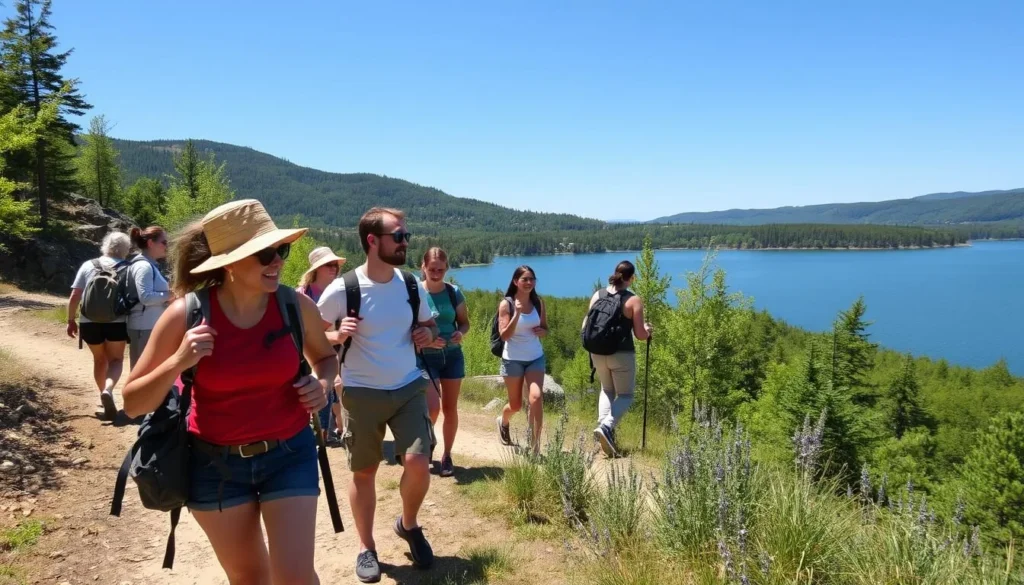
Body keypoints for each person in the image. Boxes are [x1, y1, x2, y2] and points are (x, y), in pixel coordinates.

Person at [121, 199, 337, 585]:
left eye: (281, 251)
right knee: (249, 578)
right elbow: (134, 402)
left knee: (295, 577)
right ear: (229, 263)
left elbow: (325, 358)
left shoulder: (294, 306)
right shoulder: (185, 314)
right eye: (265, 254)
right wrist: (178, 361)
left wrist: (321, 386)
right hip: (214, 465)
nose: (278, 262)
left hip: (288, 453)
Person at [316, 207, 440, 583]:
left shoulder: (409, 284)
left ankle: (408, 523)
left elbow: (430, 324)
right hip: (361, 391)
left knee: (418, 462)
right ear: (373, 241)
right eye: (398, 236)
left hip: (407, 386)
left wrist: (428, 335)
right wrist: (335, 336)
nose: (405, 242)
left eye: (406, 236)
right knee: (364, 472)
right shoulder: (344, 289)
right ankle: (366, 547)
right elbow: (312, 336)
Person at [584, 260, 653, 457]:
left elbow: (587, 323)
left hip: (596, 352)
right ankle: (607, 427)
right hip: (621, 354)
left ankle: (603, 429)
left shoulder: (598, 294)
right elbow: (640, 334)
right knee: (625, 396)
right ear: (631, 278)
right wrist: (647, 331)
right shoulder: (633, 300)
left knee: (606, 389)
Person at [66, 231, 131, 421]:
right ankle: (109, 391)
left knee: (99, 360)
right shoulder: (128, 267)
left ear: (104, 246)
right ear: (126, 249)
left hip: (89, 321)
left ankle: (103, 395)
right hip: (117, 322)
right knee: (116, 361)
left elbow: (75, 296)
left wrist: (71, 320)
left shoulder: (89, 265)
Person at [418, 247, 470, 477]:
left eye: (440, 269)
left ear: (447, 268)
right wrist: (427, 342)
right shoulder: (415, 293)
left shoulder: (453, 292)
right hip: (424, 358)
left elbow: (464, 323)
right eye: (432, 269)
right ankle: (428, 442)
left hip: (452, 356)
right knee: (432, 407)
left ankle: (447, 455)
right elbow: (405, 328)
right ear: (423, 267)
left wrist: (461, 334)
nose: (436, 273)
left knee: (450, 408)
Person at [495, 265, 548, 455]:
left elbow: (545, 328)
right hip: (513, 360)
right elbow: (504, 336)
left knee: (536, 398)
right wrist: (517, 315)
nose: (529, 283)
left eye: (532, 279)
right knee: (516, 405)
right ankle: (503, 421)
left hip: (535, 358)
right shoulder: (506, 304)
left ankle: (534, 447)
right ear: (515, 281)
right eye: (524, 279)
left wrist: (543, 331)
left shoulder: (538, 302)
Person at [296, 245, 346, 445]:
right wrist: (336, 336)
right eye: (329, 265)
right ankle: (323, 434)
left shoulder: (341, 292)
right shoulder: (301, 295)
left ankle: (337, 430)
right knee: (327, 388)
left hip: (341, 350)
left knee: (337, 390)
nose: (334, 268)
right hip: (310, 352)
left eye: (335, 265)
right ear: (316, 269)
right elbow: (304, 334)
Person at [126, 226, 171, 370]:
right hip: (143, 327)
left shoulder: (150, 265)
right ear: (151, 243)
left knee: (149, 370)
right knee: (140, 370)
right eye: (164, 242)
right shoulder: (143, 266)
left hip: (149, 326)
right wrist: (170, 295)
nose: (166, 246)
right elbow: (145, 297)